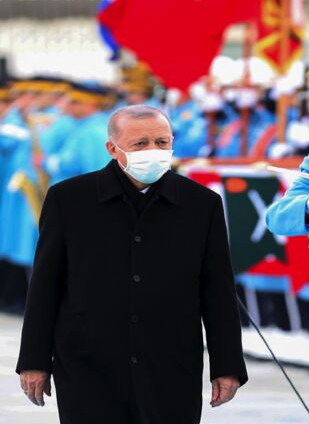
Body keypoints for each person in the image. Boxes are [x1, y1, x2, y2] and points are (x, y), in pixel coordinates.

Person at [16, 104, 247, 423]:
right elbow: (45, 286)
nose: (153, 151)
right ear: (113, 148)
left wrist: (227, 366)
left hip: (170, 366)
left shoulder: (201, 203)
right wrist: (34, 360)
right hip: (87, 366)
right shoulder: (68, 199)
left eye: (162, 142)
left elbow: (218, 291)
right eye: (140, 144)